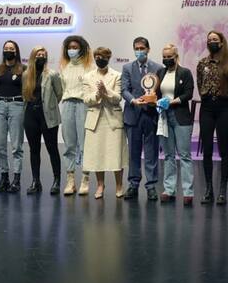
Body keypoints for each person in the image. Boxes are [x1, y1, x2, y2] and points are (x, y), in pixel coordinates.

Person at [196, 30, 228, 204]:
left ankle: (222, 190)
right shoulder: (202, 63)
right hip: (206, 108)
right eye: (209, 39)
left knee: (224, 150)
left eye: (215, 39)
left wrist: (224, 98)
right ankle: (209, 190)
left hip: (224, 109)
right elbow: (199, 83)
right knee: (207, 150)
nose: (212, 41)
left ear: (221, 42)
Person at [82, 47, 128, 199]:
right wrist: (97, 94)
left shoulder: (117, 75)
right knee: (97, 154)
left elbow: (118, 98)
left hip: (113, 119)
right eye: (97, 56)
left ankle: (119, 185)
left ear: (109, 58)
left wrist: (105, 90)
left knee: (116, 154)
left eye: (102, 57)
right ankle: (100, 185)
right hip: (95, 119)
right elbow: (86, 100)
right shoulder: (87, 76)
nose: (99, 59)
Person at [121, 37, 163, 201]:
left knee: (152, 152)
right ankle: (133, 184)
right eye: (136, 48)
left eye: (142, 48)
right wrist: (133, 100)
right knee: (133, 152)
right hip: (133, 115)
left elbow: (160, 92)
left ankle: (151, 186)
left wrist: (155, 100)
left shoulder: (158, 68)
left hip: (151, 115)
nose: (139, 51)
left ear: (148, 49)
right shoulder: (127, 68)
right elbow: (124, 90)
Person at [156, 44, 195, 205]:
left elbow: (188, 93)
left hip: (181, 117)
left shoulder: (185, 73)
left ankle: (188, 191)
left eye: (169, 57)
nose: (166, 59)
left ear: (176, 56)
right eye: (164, 57)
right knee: (168, 155)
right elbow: (156, 92)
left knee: (184, 155)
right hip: (164, 117)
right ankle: (169, 189)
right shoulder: (160, 73)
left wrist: (172, 102)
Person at [22, 46, 63, 195]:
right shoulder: (26, 74)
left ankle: (56, 181)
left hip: (48, 116)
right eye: (38, 55)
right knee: (34, 150)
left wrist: (49, 106)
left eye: (43, 55)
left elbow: (59, 93)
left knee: (52, 149)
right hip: (30, 115)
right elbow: (24, 93)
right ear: (33, 57)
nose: (41, 57)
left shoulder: (52, 74)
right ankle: (36, 182)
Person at [59, 35, 92, 196]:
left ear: (82, 49)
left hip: (82, 105)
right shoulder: (64, 66)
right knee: (69, 143)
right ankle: (70, 180)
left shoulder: (89, 67)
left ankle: (85, 179)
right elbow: (62, 88)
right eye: (69, 48)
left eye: (75, 47)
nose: (72, 50)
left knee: (85, 143)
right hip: (67, 104)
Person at [0, 40, 25, 193]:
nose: (8, 50)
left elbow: (25, 88)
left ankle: (16, 179)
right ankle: (4, 177)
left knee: (16, 146)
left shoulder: (23, 69)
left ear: (16, 51)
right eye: (6, 48)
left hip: (16, 105)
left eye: (11, 48)